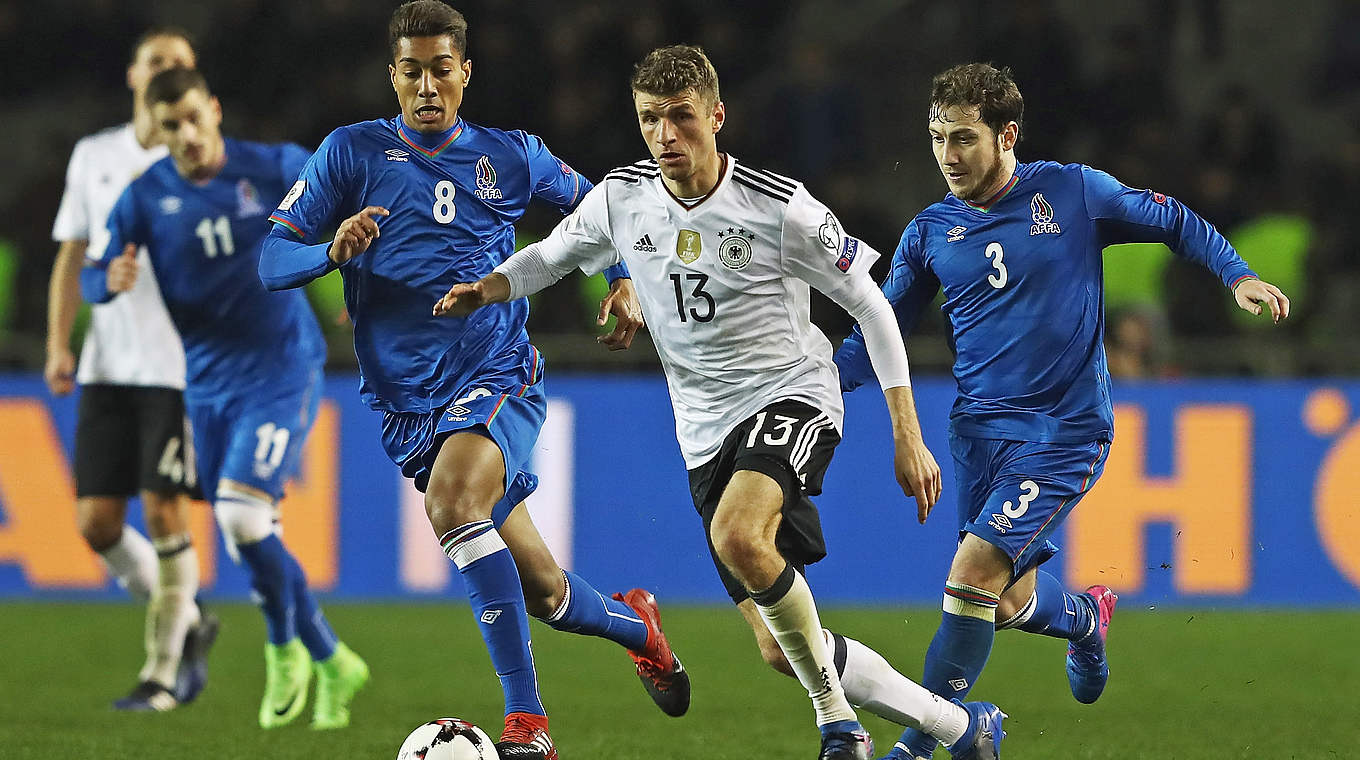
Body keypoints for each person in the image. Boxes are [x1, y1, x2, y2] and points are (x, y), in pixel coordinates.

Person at [434, 45, 1006, 760]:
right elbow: (551, 255)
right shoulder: (622, 197)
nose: (666, 136)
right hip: (705, 436)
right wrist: (486, 289)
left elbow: (871, 305)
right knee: (780, 647)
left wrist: (905, 430)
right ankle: (964, 729)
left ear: (716, 116)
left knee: (737, 533)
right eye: (650, 120)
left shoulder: (778, 206)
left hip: (793, 394)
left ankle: (839, 727)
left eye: (681, 118)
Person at [257, 3, 684, 757]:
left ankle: (529, 724)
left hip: (496, 373)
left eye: (441, 70)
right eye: (412, 71)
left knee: (452, 503)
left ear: (465, 73)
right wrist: (328, 252)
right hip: (406, 407)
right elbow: (270, 261)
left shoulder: (509, 156)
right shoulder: (348, 154)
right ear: (393, 75)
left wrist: (622, 277)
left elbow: (603, 209)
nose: (427, 86)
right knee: (548, 592)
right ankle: (638, 629)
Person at [834, 63, 1290, 760]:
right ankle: (1083, 618)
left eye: (963, 139)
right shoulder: (929, 232)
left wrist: (1238, 274)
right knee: (1005, 600)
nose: (947, 157)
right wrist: (815, 382)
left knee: (970, 575)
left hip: (1064, 431)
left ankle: (921, 745)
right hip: (979, 434)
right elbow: (881, 330)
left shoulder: (1073, 192)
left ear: (1006, 134)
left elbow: (1171, 218)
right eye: (935, 138)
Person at [81, 67, 369, 730]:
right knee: (248, 533)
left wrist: (360, 277)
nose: (186, 135)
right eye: (171, 126)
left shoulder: (271, 168)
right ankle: (332, 657)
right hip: (206, 385)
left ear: (213, 109)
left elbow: (352, 197)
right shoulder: (145, 197)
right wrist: (108, 280)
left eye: (194, 118)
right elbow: (96, 272)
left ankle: (284, 647)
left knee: (241, 520)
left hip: (281, 367)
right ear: (156, 130)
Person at [46, 26, 217, 712]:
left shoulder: (208, 163)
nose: (166, 71)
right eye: (155, 62)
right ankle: (193, 617)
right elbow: (72, 254)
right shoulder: (95, 156)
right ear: (132, 75)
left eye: (179, 63)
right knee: (96, 524)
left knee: (166, 509)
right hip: (107, 362)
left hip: (176, 366)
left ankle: (161, 674)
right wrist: (62, 340)